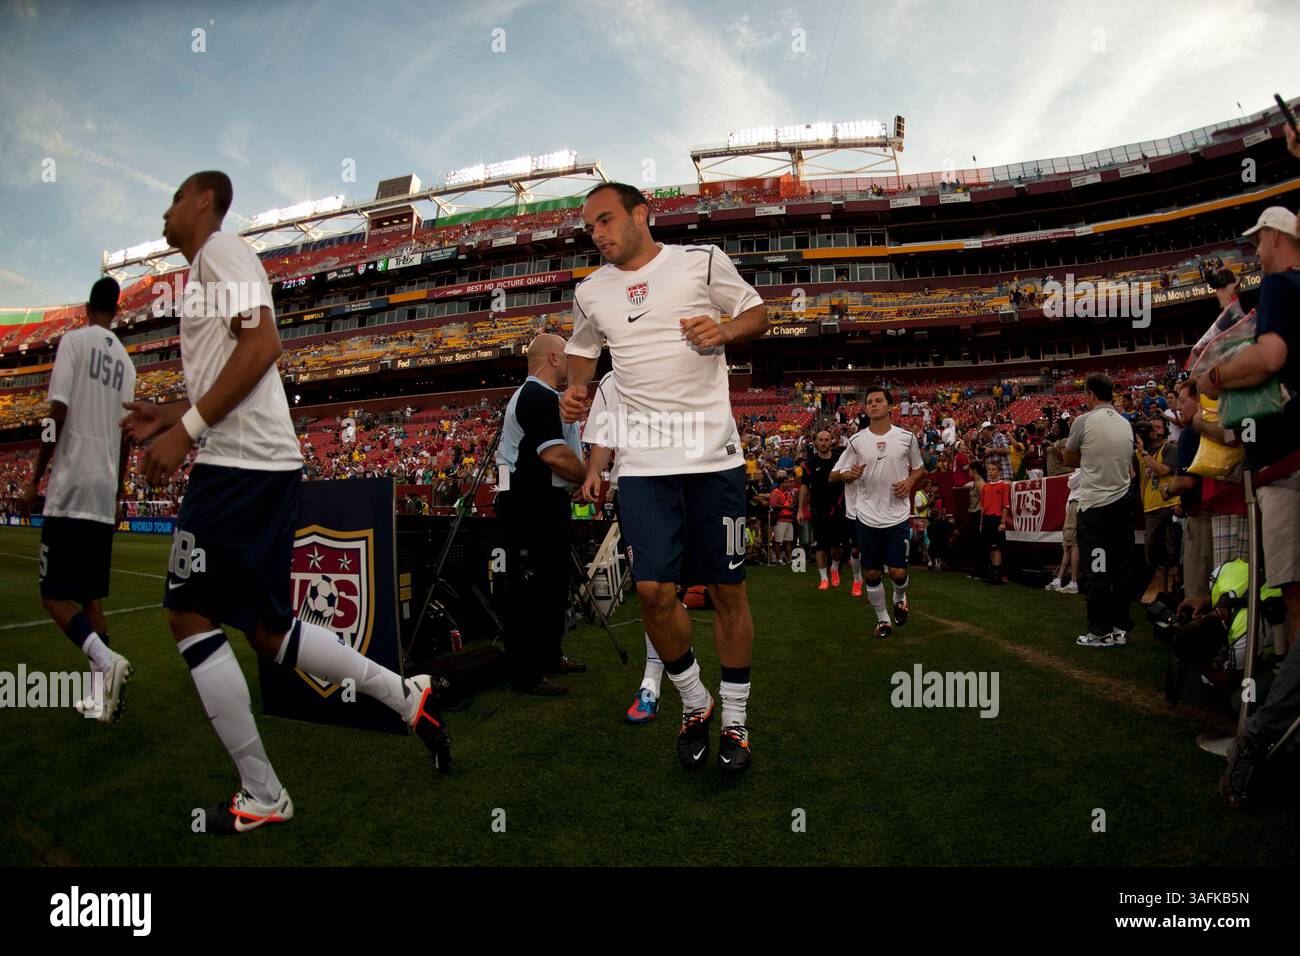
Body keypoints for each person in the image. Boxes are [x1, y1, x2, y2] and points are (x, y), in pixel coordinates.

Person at [121, 171, 449, 834]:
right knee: (269, 633)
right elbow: (236, 369)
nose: (166, 209)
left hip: (238, 466)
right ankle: (402, 694)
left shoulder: (220, 250)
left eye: (175, 196)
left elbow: (263, 344)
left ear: (205, 200)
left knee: (187, 613)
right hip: (252, 462)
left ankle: (263, 793)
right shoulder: (211, 267)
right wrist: (173, 412)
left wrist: (185, 433)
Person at [560, 182, 769, 774]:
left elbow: (758, 312)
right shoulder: (590, 291)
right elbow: (583, 351)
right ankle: (695, 702)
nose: (597, 234)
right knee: (654, 593)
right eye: (590, 227)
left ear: (641, 214)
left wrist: (725, 331)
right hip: (645, 466)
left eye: (605, 220)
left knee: (728, 592)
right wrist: (576, 389)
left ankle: (736, 718)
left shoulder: (700, 261)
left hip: (714, 461)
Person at [1198, 206, 1300, 807]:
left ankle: (1266, 737)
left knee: (1293, 597)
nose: (1255, 249)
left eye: (1259, 238)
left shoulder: (1284, 286)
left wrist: (1218, 379)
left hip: (1287, 470)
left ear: (1275, 236)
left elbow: (1269, 359)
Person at [21, 277, 135, 722]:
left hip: (70, 490)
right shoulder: (127, 362)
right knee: (90, 599)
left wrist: (35, 475)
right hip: (103, 492)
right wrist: (120, 490)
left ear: (89, 307)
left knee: (52, 596)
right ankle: (98, 700)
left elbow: (58, 412)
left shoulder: (73, 342)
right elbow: (127, 438)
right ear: (118, 312)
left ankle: (107, 665)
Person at [831, 386, 925, 639]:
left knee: (898, 572)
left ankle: (900, 597)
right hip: (867, 516)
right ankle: (883, 621)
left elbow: (919, 469)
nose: (873, 404)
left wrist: (909, 482)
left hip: (897, 515)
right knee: (871, 574)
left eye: (879, 401)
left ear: (890, 406)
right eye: (869, 401)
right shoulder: (856, 441)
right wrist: (847, 474)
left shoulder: (906, 438)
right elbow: (833, 475)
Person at [1056, 373, 1136, 649]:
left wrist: (1085, 456)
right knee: (1120, 569)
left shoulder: (1084, 421)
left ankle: (1099, 631)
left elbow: (1068, 457)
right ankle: (1118, 627)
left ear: (1090, 394)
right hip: (1123, 504)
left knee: (1097, 569)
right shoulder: (1126, 424)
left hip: (1096, 509)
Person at [1136, 415, 1180, 602]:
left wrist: (1145, 454)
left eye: (1159, 427)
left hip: (1169, 505)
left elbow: (1163, 471)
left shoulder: (1169, 448)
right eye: (1152, 427)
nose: (1155, 430)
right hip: (1150, 507)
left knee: (1172, 552)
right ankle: (1160, 589)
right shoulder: (1138, 453)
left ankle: (1172, 591)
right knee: (1152, 553)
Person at [800, 429, 846, 590]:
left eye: (827, 439)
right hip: (818, 509)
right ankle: (823, 578)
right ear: (815, 442)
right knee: (819, 545)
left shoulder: (839, 460)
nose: (824, 442)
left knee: (836, 548)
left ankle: (834, 567)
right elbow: (804, 487)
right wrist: (800, 509)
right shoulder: (809, 463)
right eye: (821, 439)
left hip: (838, 508)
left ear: (831, 441)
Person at [980, 457, 1011, 585]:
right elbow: (983, 506)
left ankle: (998, 574)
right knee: (990, 547)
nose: (991, 472)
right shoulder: (985, 487)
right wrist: (981, 522)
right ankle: (993, 572)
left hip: (997, 518)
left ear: (999, 471)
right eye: (989, 469)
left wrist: (1002, 522)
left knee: (996, 547)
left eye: (993, 469)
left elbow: (1005, 505)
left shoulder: (1003, 486)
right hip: (987, 519)